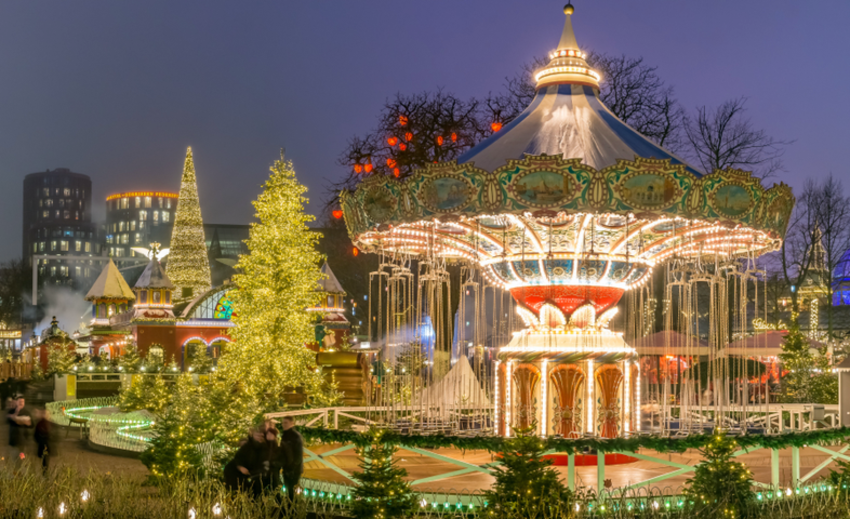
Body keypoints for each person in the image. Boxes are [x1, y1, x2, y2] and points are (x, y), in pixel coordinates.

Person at [223, 426, 267, 497]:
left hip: (255, 475)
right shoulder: (248, 446)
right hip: (242, 476)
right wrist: (240, 467)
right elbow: (238, 458)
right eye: (256, 434)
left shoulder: (263, 448)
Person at [278, 416, 303, 501]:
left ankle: (293, 509)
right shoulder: (284, 435)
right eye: (283, 423)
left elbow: (298, 454)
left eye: (286, 423)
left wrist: (293, 467)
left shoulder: (295, 436)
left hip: (293, 469)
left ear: (292, 424)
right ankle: (289, 508)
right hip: (287, 467)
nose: (283, 425)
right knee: (288, 491)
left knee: (292, 492)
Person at [6, 396, 32, 460]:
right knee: (14, 459)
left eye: (22, 402)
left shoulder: (27, 412)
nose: (21, 403)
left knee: (22, 459)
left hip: (23, 441)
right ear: (16, 402)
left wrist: (18, 420)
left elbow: (31, 424)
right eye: (19, 401)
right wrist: (17, 413)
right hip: (14, 441)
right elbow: (9, 420)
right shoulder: (11, 411)